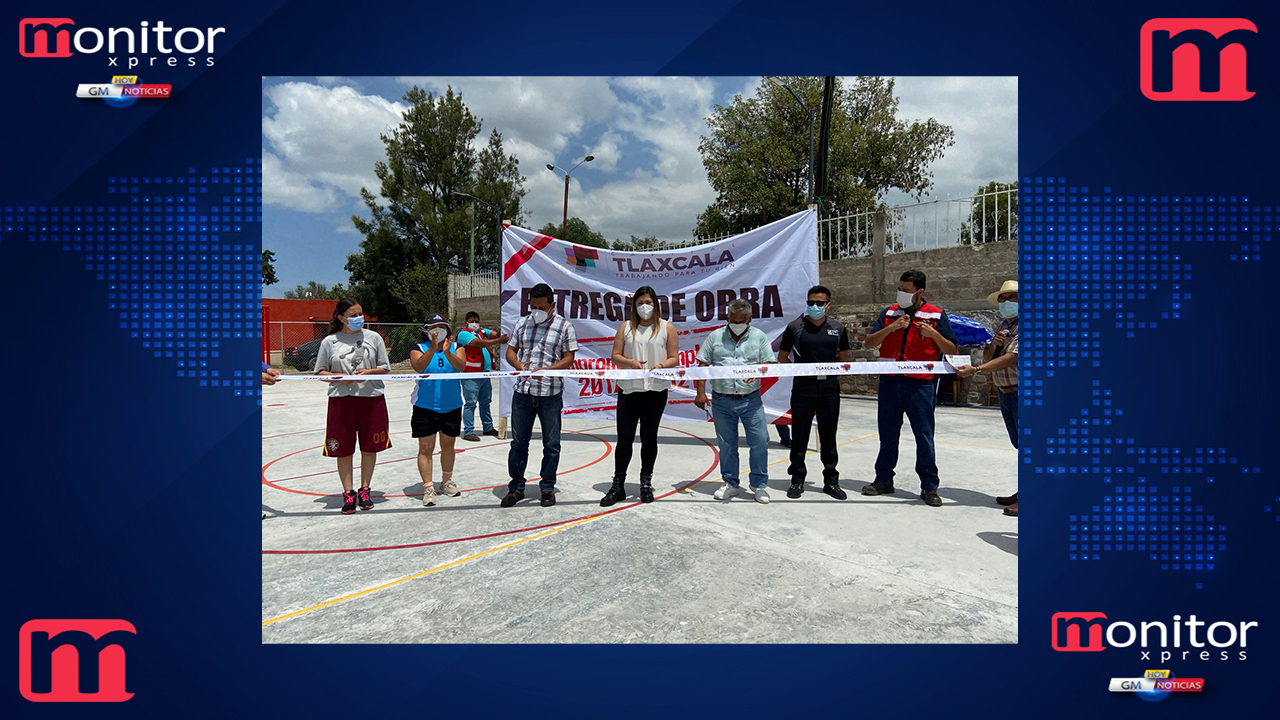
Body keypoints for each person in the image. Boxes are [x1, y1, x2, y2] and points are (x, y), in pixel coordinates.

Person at [861, 270, 959, 507]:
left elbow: (953, 350)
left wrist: (934, 334)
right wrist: (891, 328)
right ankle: (884, 479)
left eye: (906, 290)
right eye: (900, 289)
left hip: (921, 384)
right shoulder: (889, 313)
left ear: (919, 292)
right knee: (887, 433)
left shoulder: (935, 315)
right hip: (889, 382)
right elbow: (869, 342)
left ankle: (929, 486)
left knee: (924, 436)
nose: (901, 293)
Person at [601, 285, 680, 506]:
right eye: (640, 303)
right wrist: (630, 363)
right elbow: (615, 356)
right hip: (629, 390)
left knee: (649, 438)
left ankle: (646, 483)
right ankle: (618, 485)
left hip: (655, 390)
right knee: (624, 439)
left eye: (648, 303)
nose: (644, 307)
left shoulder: (667, 328)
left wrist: (662, 365)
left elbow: (674, 357)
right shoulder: (625, 328)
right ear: (634, 306)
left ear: (655, 304)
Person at [503, 283, 578, 508]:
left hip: (550, 393)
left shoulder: (564, 326)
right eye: (533, 306)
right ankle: (516, 488)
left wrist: (548, 370)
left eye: (541, 306)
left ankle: (547, 487)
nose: (536, 310)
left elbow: (569, 358)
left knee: (552, 443)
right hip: (523, 393)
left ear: (552, 305)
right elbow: (510, 352)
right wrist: (518, 364)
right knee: (518, 443)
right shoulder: (522, 324)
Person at [314, 299, 391, 514]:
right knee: (343, 448)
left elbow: (385, 368)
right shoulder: (330, 342)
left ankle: (365, 489)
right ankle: (348, 493)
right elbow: (320, 372)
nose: (359, 318)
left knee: (369, 446)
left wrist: (368, 372)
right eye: (353, 314)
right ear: (341, 318)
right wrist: (339, 378)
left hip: (371, 398)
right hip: (341, 400)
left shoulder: (373, 338)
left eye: (361, 313)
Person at [694, 298, 775, 504]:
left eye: (741, 320)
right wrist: (700, 393)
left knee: (760, 440)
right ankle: (730, 483)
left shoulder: (759, 337)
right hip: (722, 399)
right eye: (733, 319)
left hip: (751, 399)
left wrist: (757, 373)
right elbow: (702, 364)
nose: (737, 323)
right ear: (727, 318)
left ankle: (759, 485)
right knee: (727, 444)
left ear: (749, 319)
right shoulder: (715, 337)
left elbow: (768, 363)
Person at [779, 284, 851, 500]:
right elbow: (783, 357)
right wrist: (799, 371)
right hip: (803, 387)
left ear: (828, 305)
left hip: (829, 388)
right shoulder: (794, 327)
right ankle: (797, 480)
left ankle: (831, 481)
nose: (814, 306)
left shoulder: (838, 328)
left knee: (829, 435)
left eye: (819, 303)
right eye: (811, 303)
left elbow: (843, 358)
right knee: (800, 435)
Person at [957, 280, 1020, 517]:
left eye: (1012, 298)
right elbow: (989, 355)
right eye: (1002, 299)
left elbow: (1012, 358)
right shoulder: (1004, 326)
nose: (1006, 303)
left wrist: (976, 370)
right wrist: (993, 345)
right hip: (1007, 394)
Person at [409, 313, 467, 507]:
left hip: (451, 405)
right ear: (426, 331)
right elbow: (419, 366)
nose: (438, 331)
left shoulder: (457, 346)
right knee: (426, 448)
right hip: (425, 406)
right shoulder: (419, 348)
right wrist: (433, 348)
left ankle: (446, 481)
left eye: (442, 327)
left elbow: (461, 366)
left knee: (448, 445)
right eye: (433, 327)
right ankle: (428, 487)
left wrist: (447, 351)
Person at [456, 311, 509, 442]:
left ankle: (488, 427)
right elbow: (478, 343)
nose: (474, 323)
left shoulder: (482, 331)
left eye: (476, 320)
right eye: (472, 320)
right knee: (470, 403)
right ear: (466, 322)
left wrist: (503, 325)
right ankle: (468, 431)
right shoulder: (463, 334)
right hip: (470, 374)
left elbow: (496, 334)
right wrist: (498, 340)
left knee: (486, 402)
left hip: (484, 373)